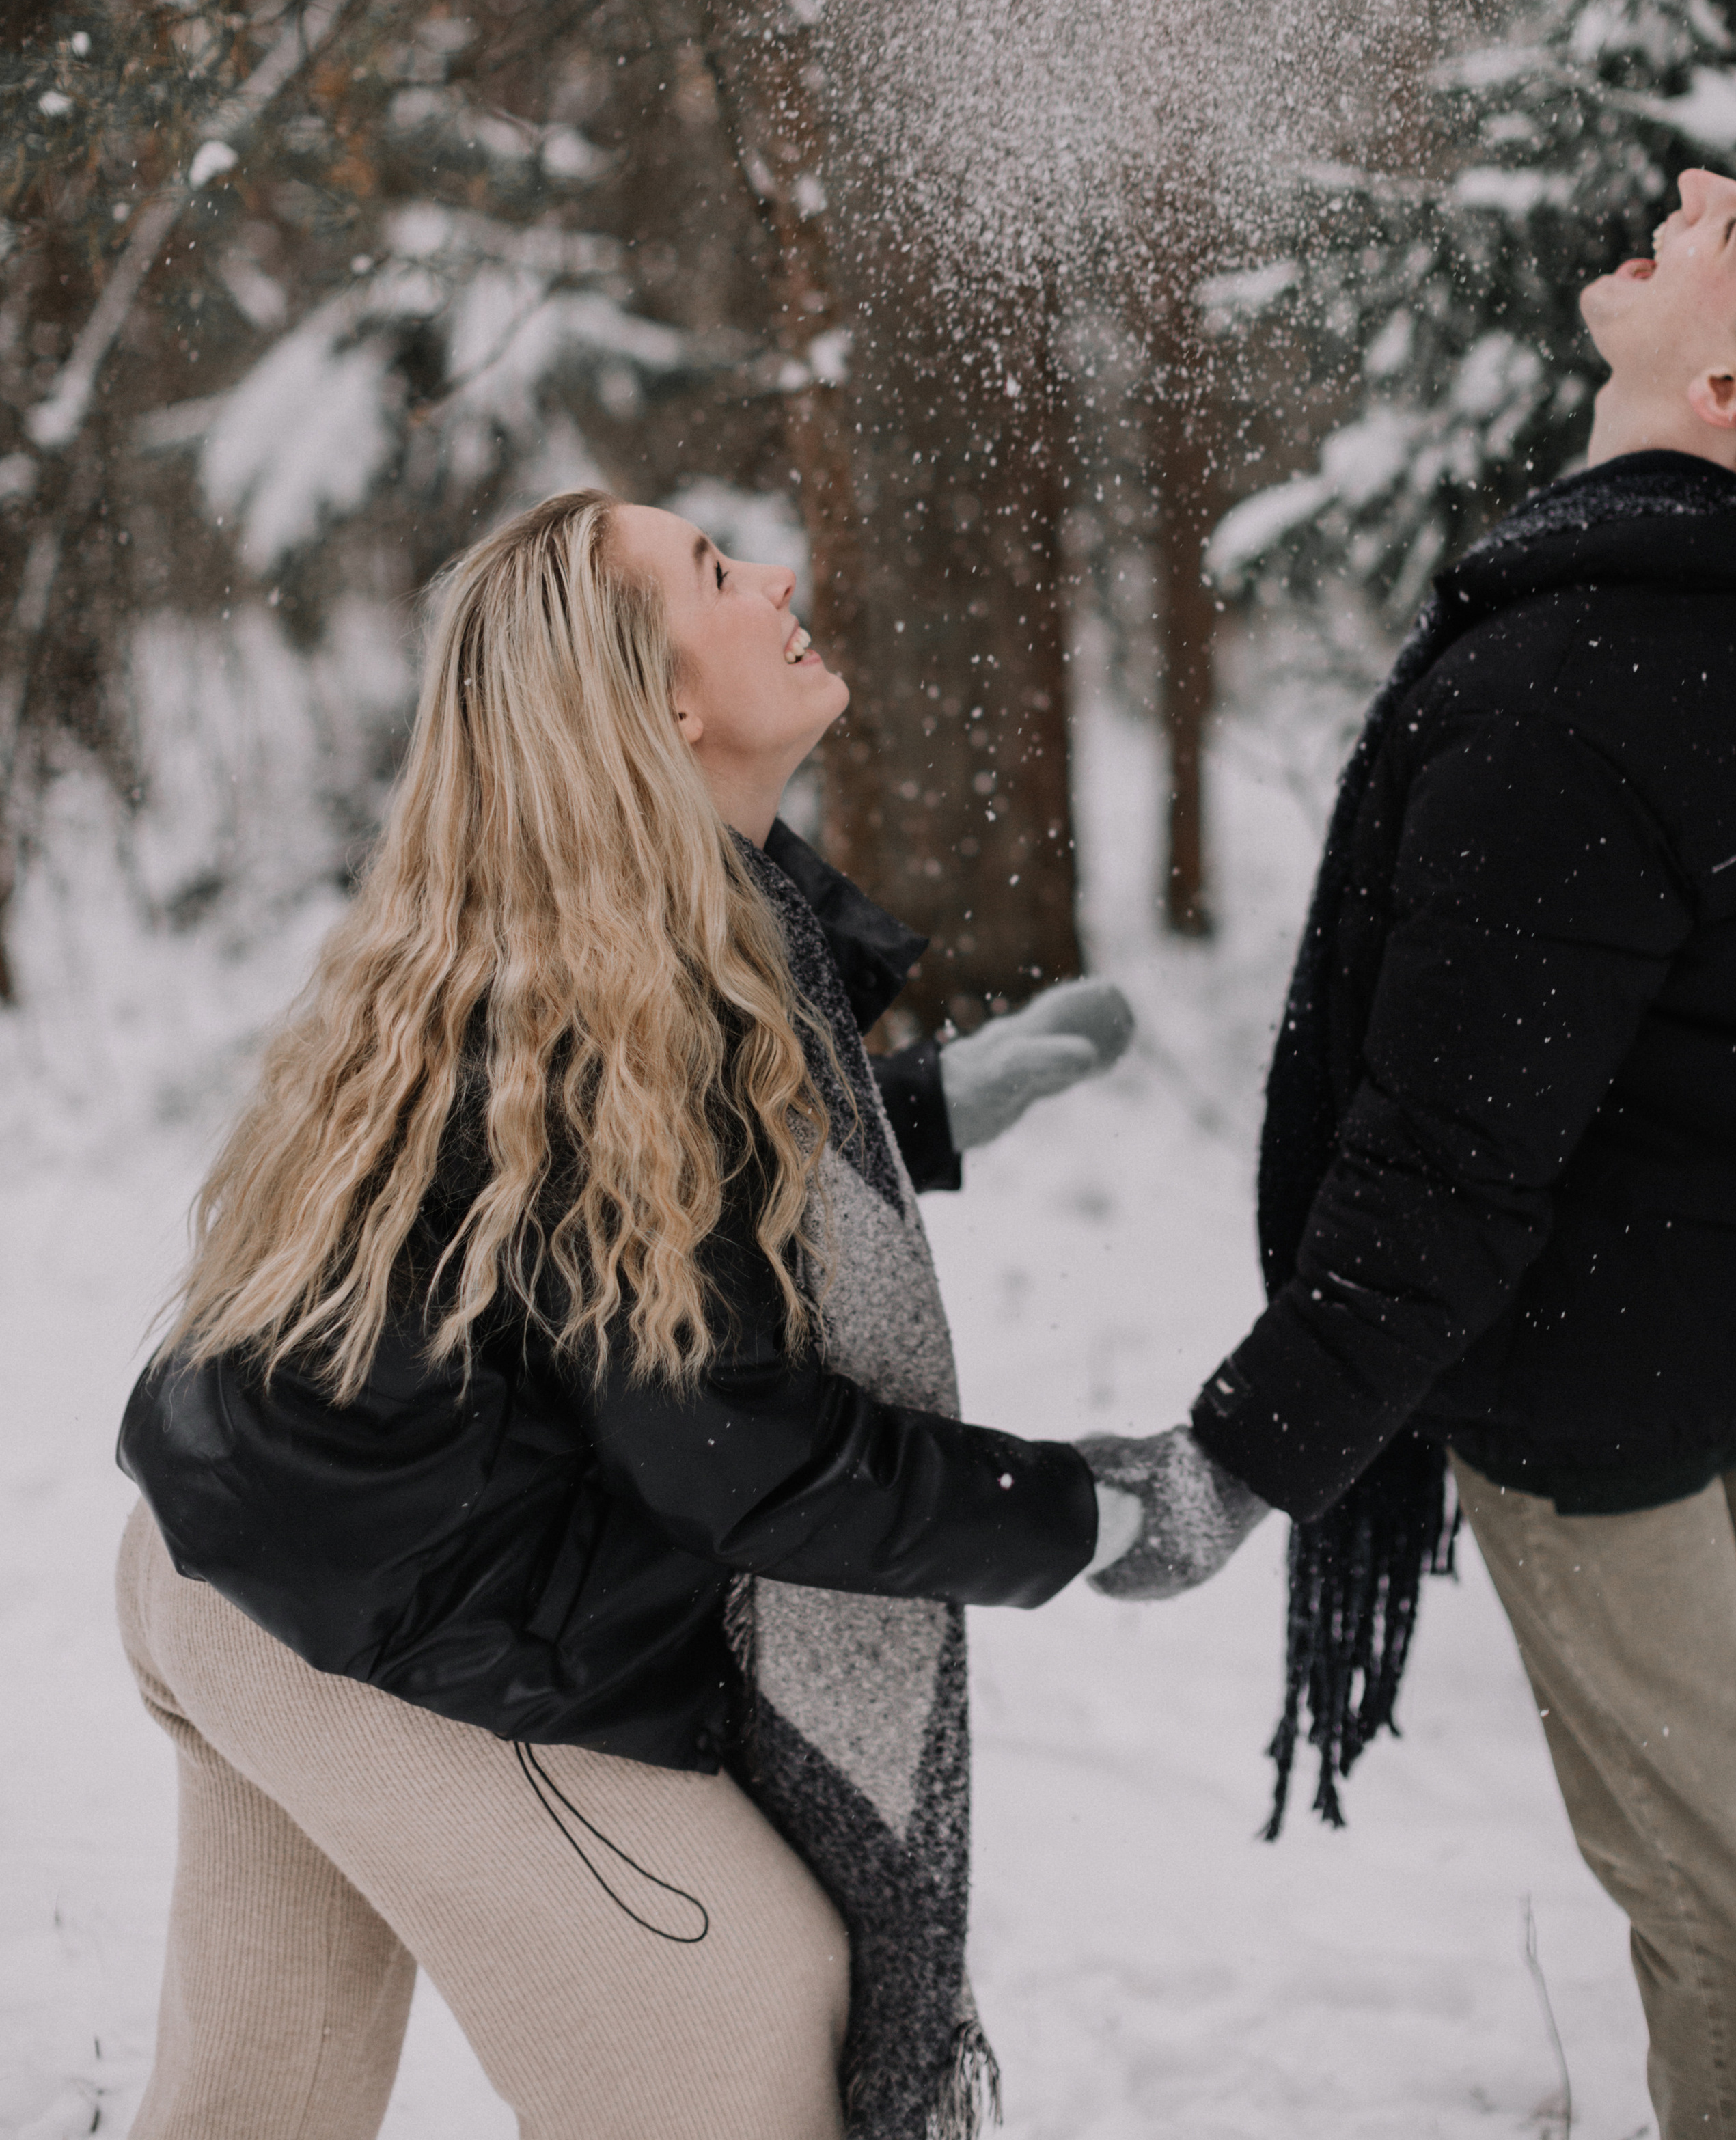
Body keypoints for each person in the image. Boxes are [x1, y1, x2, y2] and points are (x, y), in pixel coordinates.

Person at [114, 486, 1227, 2140]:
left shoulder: (594, 944)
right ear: (660, 708)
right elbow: (741, 1459)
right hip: (371, 1627)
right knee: (744, 2040)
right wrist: (1084, 1512)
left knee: (257, 2115)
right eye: (714, 568)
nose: (774, 572)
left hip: (236, 1567)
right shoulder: (599, 1018)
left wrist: (909, 1119)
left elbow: (623, 1226)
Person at [1161, 165, 1736, 2140]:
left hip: (1610, 1417)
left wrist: (1249, 1451)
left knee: (1731, 1914)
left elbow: (1443, 1158)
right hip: (1709, 1354)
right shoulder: (1668, 648)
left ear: (1734, 388)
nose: (1699, 187)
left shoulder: (1578, 687)